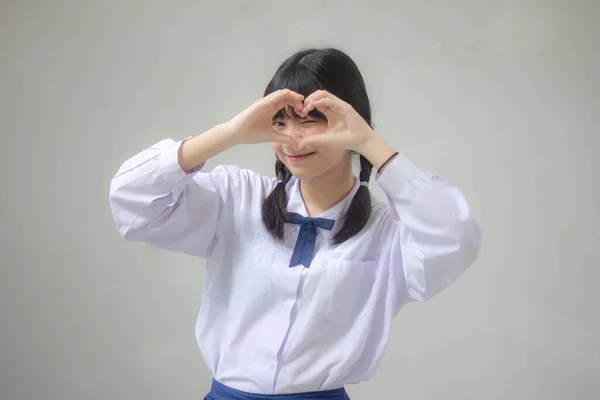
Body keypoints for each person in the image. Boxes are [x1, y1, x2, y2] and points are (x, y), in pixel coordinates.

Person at [109, 47, 482, 400]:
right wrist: (230, 133)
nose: (292, 138)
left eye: (312, 120)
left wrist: (370, 142)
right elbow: (132, 199)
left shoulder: (386, 232)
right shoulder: (236, 198)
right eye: (280, 121)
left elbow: (454, 238)